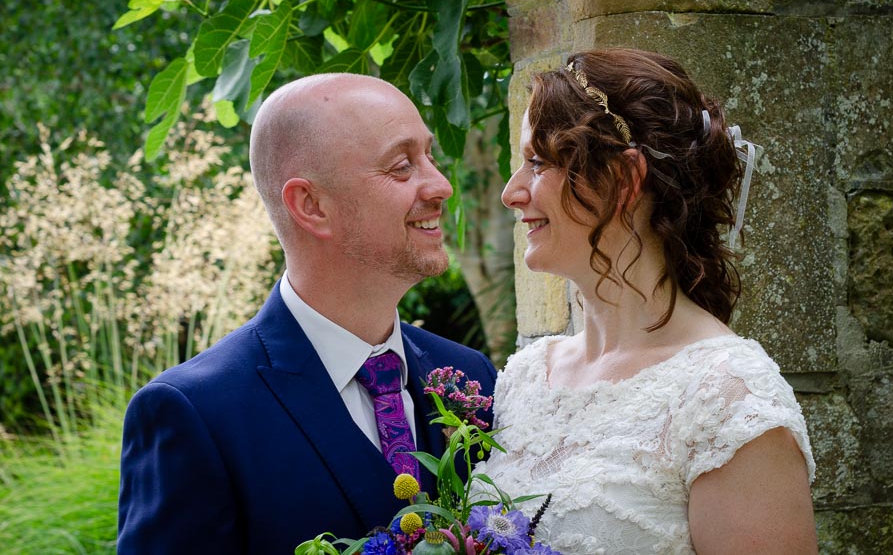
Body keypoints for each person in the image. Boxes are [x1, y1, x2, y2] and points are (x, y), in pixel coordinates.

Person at [117, 74, 497, 554]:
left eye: (430, 156)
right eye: (403, 166)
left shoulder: (470, 377)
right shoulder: (197, 413)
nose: (441, 185)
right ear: (311, 205)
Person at [476, 49, 817, 554]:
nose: (512, 193)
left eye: (538, 162)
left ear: (625, 178)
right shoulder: (524, 378)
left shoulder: (726, 399)